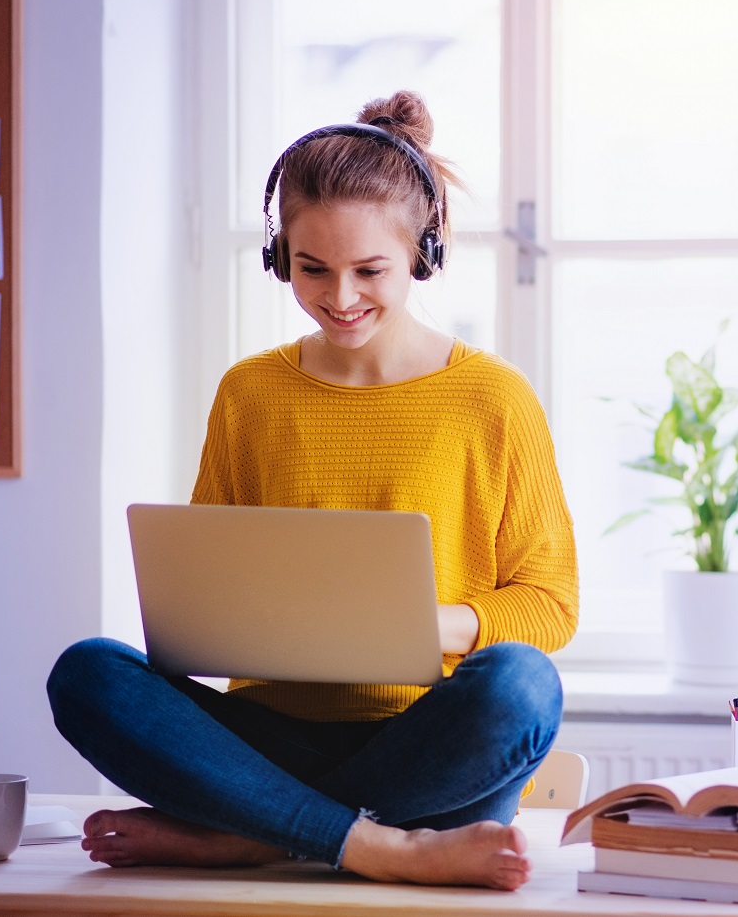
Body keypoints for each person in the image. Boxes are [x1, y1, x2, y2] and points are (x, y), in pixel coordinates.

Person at [46, 90, 579, 891]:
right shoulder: (250, 394)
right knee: (86, 675)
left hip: (427, 746)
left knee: (522, 686)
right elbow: (206, 589)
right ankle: (375, 844)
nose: (340, 297)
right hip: (268, 740)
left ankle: (251, 837)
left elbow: (551, 603)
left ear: (422, 255)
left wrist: (424, 624)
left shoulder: (492, 399)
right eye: (311, 268)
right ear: (278, 256)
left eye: (371, 270)